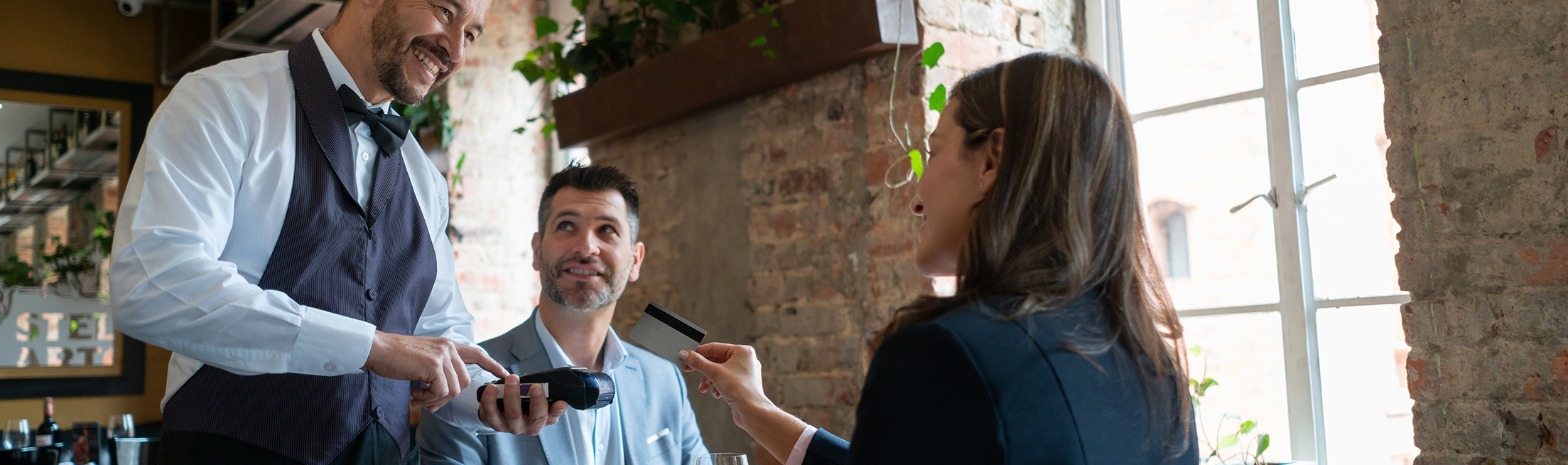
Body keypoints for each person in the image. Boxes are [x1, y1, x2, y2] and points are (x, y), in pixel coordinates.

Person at [679, 52, 1199, 465]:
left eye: (933, 153)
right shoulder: (1150, 363)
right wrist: (757, 412)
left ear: (990, 160)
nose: (916, 196)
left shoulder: (943, 355)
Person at [109, 1, 566, 463]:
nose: (456, 52)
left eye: (471, 34)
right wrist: (370, 346)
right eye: (446, 11)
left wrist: (488, 399)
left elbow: (440, 333)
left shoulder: (424, 179)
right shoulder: (223, 99)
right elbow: (151, 283)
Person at [418, 164, 710, 464]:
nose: (586, 248)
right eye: (567, 226)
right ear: (536, 249)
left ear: (635, 261)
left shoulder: (665, 381)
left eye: (606, 230)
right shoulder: (465, 385)